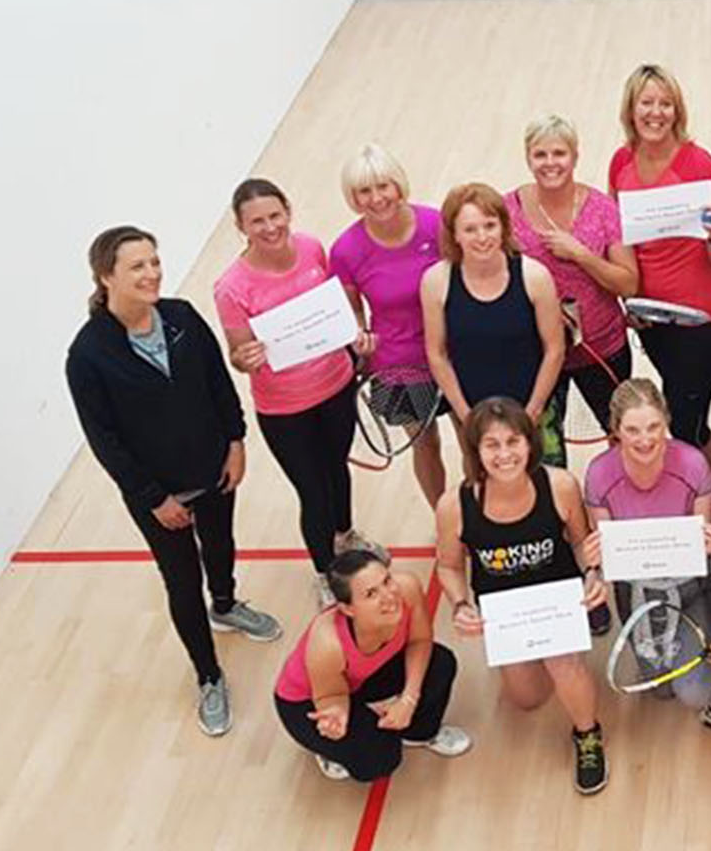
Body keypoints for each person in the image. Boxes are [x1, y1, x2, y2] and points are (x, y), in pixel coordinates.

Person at [67, 225, 281, 737]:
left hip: (213, 467)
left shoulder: (182, 317)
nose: (152, 273)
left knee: (221, 544)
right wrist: (153, 498)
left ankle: (226, 606)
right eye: (137, 266)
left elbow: (216, 381)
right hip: (157, 495)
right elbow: (105, 442)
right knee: (182, 581)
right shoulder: (88, 355)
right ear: (106, 276)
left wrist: (236, 441)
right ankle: (209, 677)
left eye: (154, 261)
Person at [213, 178, 379, 608]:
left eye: (275, 215)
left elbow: (333, 310)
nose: (269, 227)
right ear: (241, 226)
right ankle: (326, 571)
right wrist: (244, 358)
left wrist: (354, 340)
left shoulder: (311, 249)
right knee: (313, 489)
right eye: (256, 222)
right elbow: (238, 353)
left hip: (336, 384)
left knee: (337, 467)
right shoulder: (231, 287)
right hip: (285, 409)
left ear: (288, 210)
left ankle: (346, 536)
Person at [435, 398, 611, 795]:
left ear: (530, 444)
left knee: (564, 666)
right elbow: (448, 566)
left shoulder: (560, 485)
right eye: (492, 445)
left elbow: (582, 544)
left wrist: (593, 575)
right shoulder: (455, 505)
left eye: (513, 441)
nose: (504, 454)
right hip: (506, 613)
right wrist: (461, 605)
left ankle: (588, 735)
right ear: (476, 452)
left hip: (557, 599)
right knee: (528, 699)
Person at [607, 63, 711, 486]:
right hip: (652, 318)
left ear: (676, 110)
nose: (656, 113)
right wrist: (629, 301)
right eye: (647, 102)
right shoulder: (621, 162)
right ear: (631, 108)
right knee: (688, 420)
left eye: (665, 104)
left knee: (686, 423)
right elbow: (619, 239)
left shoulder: (700, 165)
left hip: (704, 319)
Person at [582, 379, 711, 727]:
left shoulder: (693, 464)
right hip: (635, 591)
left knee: (693, 693)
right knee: (660, 689)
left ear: (665, 420)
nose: (645, 439)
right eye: (632, 430)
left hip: (690, 586)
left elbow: (702, 543)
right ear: (615, 431)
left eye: (653, 427)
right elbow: (604, 553)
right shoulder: (599, 473)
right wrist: (593, 567)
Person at [274, 551, 471, 781]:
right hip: (309, 700)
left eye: (387, 580)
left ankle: (417, 733)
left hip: (360, 679)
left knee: (440, 664)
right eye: (371, 593)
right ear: (348, 608)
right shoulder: (327, 643)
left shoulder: (407, 588)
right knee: (381, 760)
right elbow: (331, 695)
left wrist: (408, 700)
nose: (389, 596)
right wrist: (336, 715)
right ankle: (329, 750)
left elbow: (419, 641)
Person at [506, 114, 640, 436]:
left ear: (575, 156)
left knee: (619, 436)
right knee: (542, 448)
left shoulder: (604, 209)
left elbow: (629, 283)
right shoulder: (506, 210)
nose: (550, 163)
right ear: (528, 158)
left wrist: (580, 254)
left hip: (603, 347)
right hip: (535, 355)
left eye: (559, 153)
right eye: (540, 154)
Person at [331, 143, 449, 506]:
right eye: (364, 191)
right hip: (398, 366)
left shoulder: (435, 224)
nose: (377, 198)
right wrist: (359, 341)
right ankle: (445, 519)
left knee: (473, 437)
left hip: (454, 353)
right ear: (353, 197)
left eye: (383, 186)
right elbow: (352, 314)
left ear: (399, 185)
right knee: (425, 444)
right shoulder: (345, 250)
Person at [419, 183, 568, 467]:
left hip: (534, 411)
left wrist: (532, 411)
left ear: (503, 227)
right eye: (470, 229)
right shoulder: (435, 282)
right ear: (455, 235)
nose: (482, 237)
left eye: (490, 225)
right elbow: (436, 354)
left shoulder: (535, 276)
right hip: (476, 415)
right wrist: (465, 415)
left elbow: (554, 350)